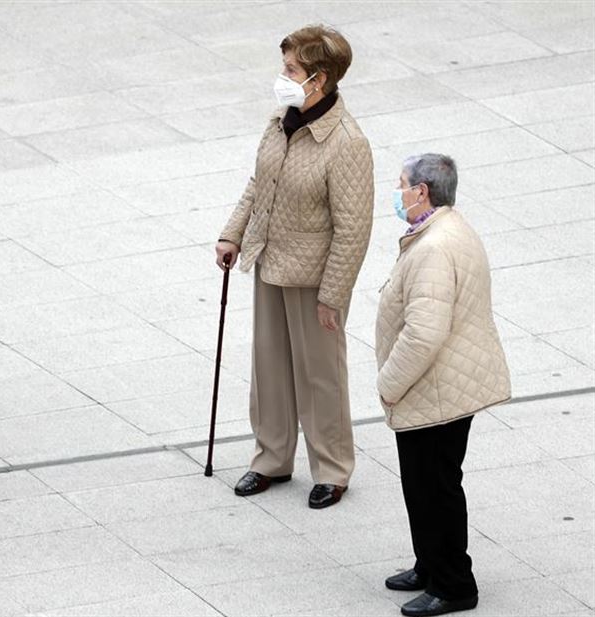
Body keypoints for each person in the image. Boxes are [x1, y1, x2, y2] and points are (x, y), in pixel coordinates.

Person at [215, 24, 374, 508]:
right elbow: (258, 182)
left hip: (313, 277)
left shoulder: (346, 142)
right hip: (269, 262)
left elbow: (353, 228)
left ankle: (332, 468)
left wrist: (333, 295)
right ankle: (271, 458)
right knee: (270, 366)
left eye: (291, 69)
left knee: (320, 374)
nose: (282, 77)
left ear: (319, 79)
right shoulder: (281, 120)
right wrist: (232, 234)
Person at [376, 154, 511, 616]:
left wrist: (389, 384)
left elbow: (424, 333)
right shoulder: (447, 229)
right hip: (442, 383)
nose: (396, 192)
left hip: (434, 387)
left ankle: (453, 584)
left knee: (434, 485)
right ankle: (430, 563)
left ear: (422, 193)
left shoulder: (435, 247)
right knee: (425, 482)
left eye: (401, 184)